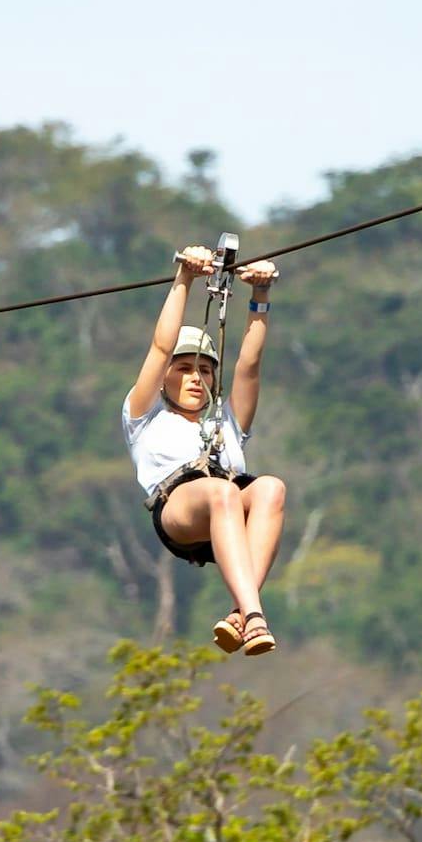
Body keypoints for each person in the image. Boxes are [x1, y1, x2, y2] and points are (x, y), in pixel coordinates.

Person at [124, 246, 289, 653]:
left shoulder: (226, 423)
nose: (196, 378)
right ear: (164, 380)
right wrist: (184, 279)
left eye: (205, 369)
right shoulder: (144, 415)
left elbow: (249, 366)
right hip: (182, 511)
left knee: (271, 487)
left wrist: (260, 297)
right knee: (222, 492)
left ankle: (240, 612)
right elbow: (160, 349)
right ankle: (254, 614)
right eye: (184, 369)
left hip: (228, 510)